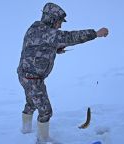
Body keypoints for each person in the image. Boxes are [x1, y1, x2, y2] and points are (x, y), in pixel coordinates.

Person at [17, 2, 109, 144]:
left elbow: (37, 46)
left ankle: (25, 132)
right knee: (45, 110)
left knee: (31, 103)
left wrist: (55, 49)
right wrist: (96, 33)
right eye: (59, 22)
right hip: (32, 78)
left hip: (26, 76)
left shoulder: (36, 28)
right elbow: (70, 37)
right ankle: (42, 140)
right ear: (52, 19)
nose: (60, 25)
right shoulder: (46, 32)